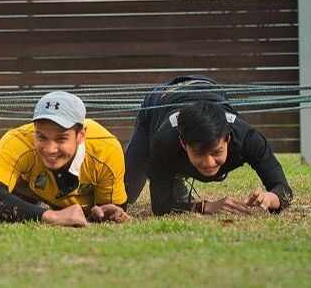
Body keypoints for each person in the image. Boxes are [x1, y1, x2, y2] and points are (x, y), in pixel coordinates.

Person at [123, 75, 293, 216]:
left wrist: (272, 197)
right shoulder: (166, 140)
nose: (209, 163)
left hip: (208, 88)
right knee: (122, 197)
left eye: (216, 152)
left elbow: (284, 190)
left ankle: (176, 182)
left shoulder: (247, 139)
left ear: (228, 139)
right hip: (160, 100)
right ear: (183, 144)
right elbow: (161, 207)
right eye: (198, 153)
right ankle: (174, 180)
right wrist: (204, 207)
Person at [0, 91, 129, 227]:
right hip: (35, 190)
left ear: (81, 135)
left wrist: (102, 214)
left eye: (61, 139)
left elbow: (109, 210)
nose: (50, 149)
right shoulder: (18, 141)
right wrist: (50, 216)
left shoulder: (107, 149)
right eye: (41, 136)